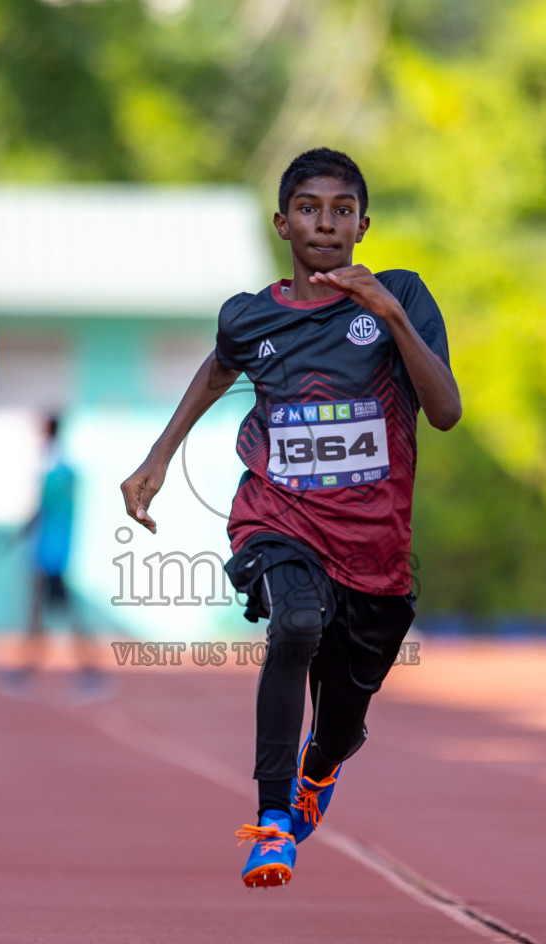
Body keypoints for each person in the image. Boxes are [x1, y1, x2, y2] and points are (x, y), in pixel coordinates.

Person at [120, 148, 461, 887]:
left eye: (343, 210)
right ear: (283, 222)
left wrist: (393, 317)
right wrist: (157, 456)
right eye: (310, 208)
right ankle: (274, 818)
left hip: (375, 549)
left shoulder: (398, 296)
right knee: (296, 624)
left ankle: (320, 765)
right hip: (278, 520)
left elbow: (444, 412)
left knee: (341, 720)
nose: (326, 223)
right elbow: (219, 367)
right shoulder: (250, 317)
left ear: (364, 225)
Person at [0, 413, 100, 698]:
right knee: (42, 611)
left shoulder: (55, 469)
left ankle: (89, 670)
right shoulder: (63, 468)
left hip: (50, 553)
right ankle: (31, 666)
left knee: (59, 611)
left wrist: (19, 535)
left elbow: (42, 510)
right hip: (53, 550)